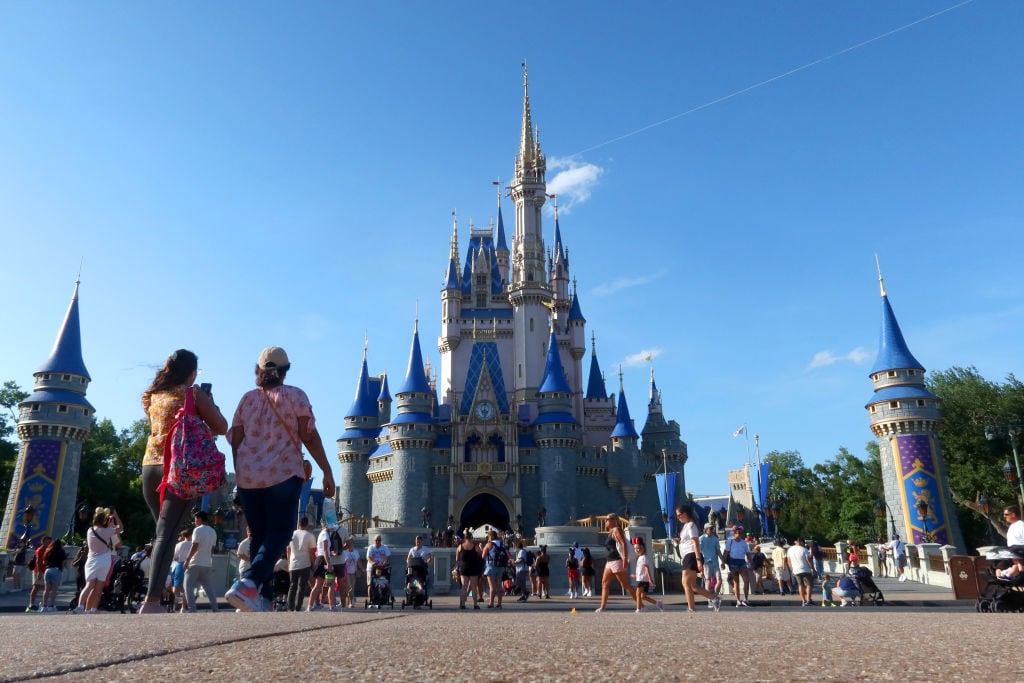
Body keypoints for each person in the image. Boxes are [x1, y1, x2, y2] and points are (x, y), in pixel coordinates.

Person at [225, 347, 336, 613]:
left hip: (249, 478)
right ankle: (249, 582)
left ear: (260, 370)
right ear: (285, 370)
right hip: (284, 474)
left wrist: (240, 472)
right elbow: (309, 436)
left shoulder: (246, 400)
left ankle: (260, 597)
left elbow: (236, 441)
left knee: (259, 536)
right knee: (281, 531)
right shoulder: (295, 396)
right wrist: (328, 470)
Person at [138, 349, 228, 614]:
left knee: (161, 534)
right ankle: (152, 600)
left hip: (149, 466)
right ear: (191, 373)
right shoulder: (193, 394)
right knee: (166, 535)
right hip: (177, 468)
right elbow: (220, 426)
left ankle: (156, 594)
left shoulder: (152, 395)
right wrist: (209, 401)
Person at [76, 507, 123, 614]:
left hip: (91, 560)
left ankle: (80, 607)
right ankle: (93, 609)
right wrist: (115, 516)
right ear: (104, 521)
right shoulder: (108, 531)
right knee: (99, 587)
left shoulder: (89, 531)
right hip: (104, 561)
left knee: (89, 586)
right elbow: (120, 529)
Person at [674, 506, 720, 613]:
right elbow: (687, 541)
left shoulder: (691, 525)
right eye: (677, 515)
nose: (678, 517)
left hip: (691, 555)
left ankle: (691, 608)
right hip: (687, 555)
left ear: (686, 513)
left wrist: (698, 560)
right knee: (693, 586)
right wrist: (679, 541)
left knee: (685, 582)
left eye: (679, 515)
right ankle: (715, 598)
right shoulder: (686, 526)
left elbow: (695, 543)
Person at [595, 513, 638, 612]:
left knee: (625, 585)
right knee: (604, 583)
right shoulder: (611, 531)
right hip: (610, 561)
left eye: (608, 519)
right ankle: (603, 607)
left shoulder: (616, 529)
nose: (606, 521)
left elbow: (623, 543)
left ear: (614, 520)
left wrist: (625, 559)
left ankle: (640, 604)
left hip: (617, 560)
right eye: (606, 519)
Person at [183, 511, 219, 612]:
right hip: (207, 562)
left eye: (195, 519)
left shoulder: (197, 530)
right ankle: (215, 608)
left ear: (199, 519)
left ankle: (192, 608)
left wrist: (187, 560)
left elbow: (195, 546)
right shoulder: (213, 531)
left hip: (196, 561)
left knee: (188, 585)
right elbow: (212, 549)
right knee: (208, 587)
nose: (194, 522)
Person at [286, 516, 316, 611]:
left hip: (293, 563)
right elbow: (312, 552)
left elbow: (288, 550)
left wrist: (289, 562)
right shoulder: (310, 536)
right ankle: (298, 606)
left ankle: (290, 606)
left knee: (292, 585)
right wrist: (313, 563)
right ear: (307, 525)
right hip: (305, 563)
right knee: (301, 586)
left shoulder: (292, 535)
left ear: (299, 524)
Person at [631, 537, 664, 612]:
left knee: (638, 594)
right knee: (643, 596)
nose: (637, 550)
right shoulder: (640, 558)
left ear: (643, 548)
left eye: (639, 548)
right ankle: (658, 603)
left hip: (644, 580)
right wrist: (635, 576)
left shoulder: (644, 558)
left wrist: (650, 579)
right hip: (642, 579)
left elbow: (647, 569)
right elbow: (641, 570)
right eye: (636, 549)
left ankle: (639, 608)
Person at [480, 530, 509, 608]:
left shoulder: (489, 544)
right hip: (500, 566)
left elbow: (483, 556)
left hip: (491, 566)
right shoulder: (501, 544)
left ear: (490, 536)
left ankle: (491, 603)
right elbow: (507, 554)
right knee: (499, 585)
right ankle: (499, 603)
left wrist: (481, 548)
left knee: (492, 586)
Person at [724, 525, 750, 606]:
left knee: (746, 580)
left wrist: (751, 563)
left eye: (740, 533)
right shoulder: (730, 541)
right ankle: (738, 600)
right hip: (733, 561)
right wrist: (723, 563)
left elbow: (748, 554)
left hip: (742, 561)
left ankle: (745, 599)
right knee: (736, 582)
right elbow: (726, 552)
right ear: (734, 533)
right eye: (736, 532)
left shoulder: (744, 542)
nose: (738, 534)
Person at [456, 531, 483, 609]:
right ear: (471, 538)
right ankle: (475, 604)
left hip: (464, 568)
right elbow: (481, 555)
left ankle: (463, 604)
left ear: (464, 537)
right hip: (473, 568)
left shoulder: (460, 546)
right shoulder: (475, 546)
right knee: (474, 587)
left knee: (464, 586)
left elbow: (457, 559)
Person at [996, 505, 1024, 579]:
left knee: (1019, 564)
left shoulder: (1021, 525)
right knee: (999, 565)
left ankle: (1008, 576)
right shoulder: (1012, 526)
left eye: (1006, 514)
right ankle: (1002, 577)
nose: (1004, 517)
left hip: (1019, 549)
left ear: (1013, 514)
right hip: (1012, 551)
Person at [787, 538, 815, 607]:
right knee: (809, 585)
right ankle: (808, 600)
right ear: (802, 542)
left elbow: (789, 561)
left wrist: (792, 569)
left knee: (800, 585)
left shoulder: (790, 550)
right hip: (805, 569)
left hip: (796, 570)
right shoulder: (804, 550)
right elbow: (808, 560)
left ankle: (803, 601)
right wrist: (813, 569)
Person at [40, 537, 67, 612]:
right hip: (56, 570)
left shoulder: (48, 550)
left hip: (47, 570)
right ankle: (51, 606)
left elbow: (44, 562)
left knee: (46, 590)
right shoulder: (61, 551)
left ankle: (44, 606)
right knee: (54, 590)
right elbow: (64, 562)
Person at [27, 535, 50, 612]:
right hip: (38, 571)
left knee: (46, 588)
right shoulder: (40, 549)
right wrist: (39, 572)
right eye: (47, 541)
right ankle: (31, 604)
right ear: (43, 542)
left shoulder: (48, 549)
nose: (49, 543)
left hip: (45, 570)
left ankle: (43, 604)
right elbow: (38, 561)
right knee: (36, 587)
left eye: (50, 542)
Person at [365, 534, 392, 599]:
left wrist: (385, 562)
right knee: (370, 584)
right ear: (374, 541)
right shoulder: (371, 547)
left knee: (385, 582)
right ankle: (370, 599)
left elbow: (388, 556)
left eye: (379, 540)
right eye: (376, 540)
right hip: (372, 568)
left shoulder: (384, 547)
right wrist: (373, 563)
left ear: (381, 541)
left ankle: (385, 596)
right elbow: (368, 557)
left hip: (382, 567)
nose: (377, 542)